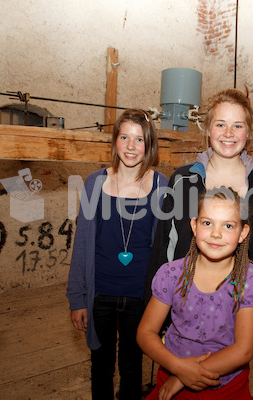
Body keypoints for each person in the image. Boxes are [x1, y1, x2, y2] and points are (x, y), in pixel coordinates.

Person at [144, 88, 253, 305]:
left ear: (248, 131)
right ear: (208, 129)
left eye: (238, 125)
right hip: (184, 301)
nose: (229, 133)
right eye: (220, 124)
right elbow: (164, 246)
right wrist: (155, 302)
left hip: (244, 303)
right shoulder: (182, 180)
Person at [66, 109, 168, 400]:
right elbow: (82, 243)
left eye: (139, 139)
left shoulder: (161, 186)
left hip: (140, 296)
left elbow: (164, 249)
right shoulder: (94, 183)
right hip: (100, 296)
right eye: (125, 137)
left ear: (149, 145)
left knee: (132, 367)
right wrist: (77, 298)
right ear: (115, 141)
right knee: (100, 367)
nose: (131, 146)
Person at [138, 187, 253, 400]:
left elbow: (243, 350)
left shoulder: (250, 281)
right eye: (208, 223)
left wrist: (183, 377)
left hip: (226, 387)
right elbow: (145, 333)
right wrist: (178, 368)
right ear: (194, 226)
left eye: (228, 225)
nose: (216, 233)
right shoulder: (171, 274)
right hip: (169, 378)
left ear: (243, 233)